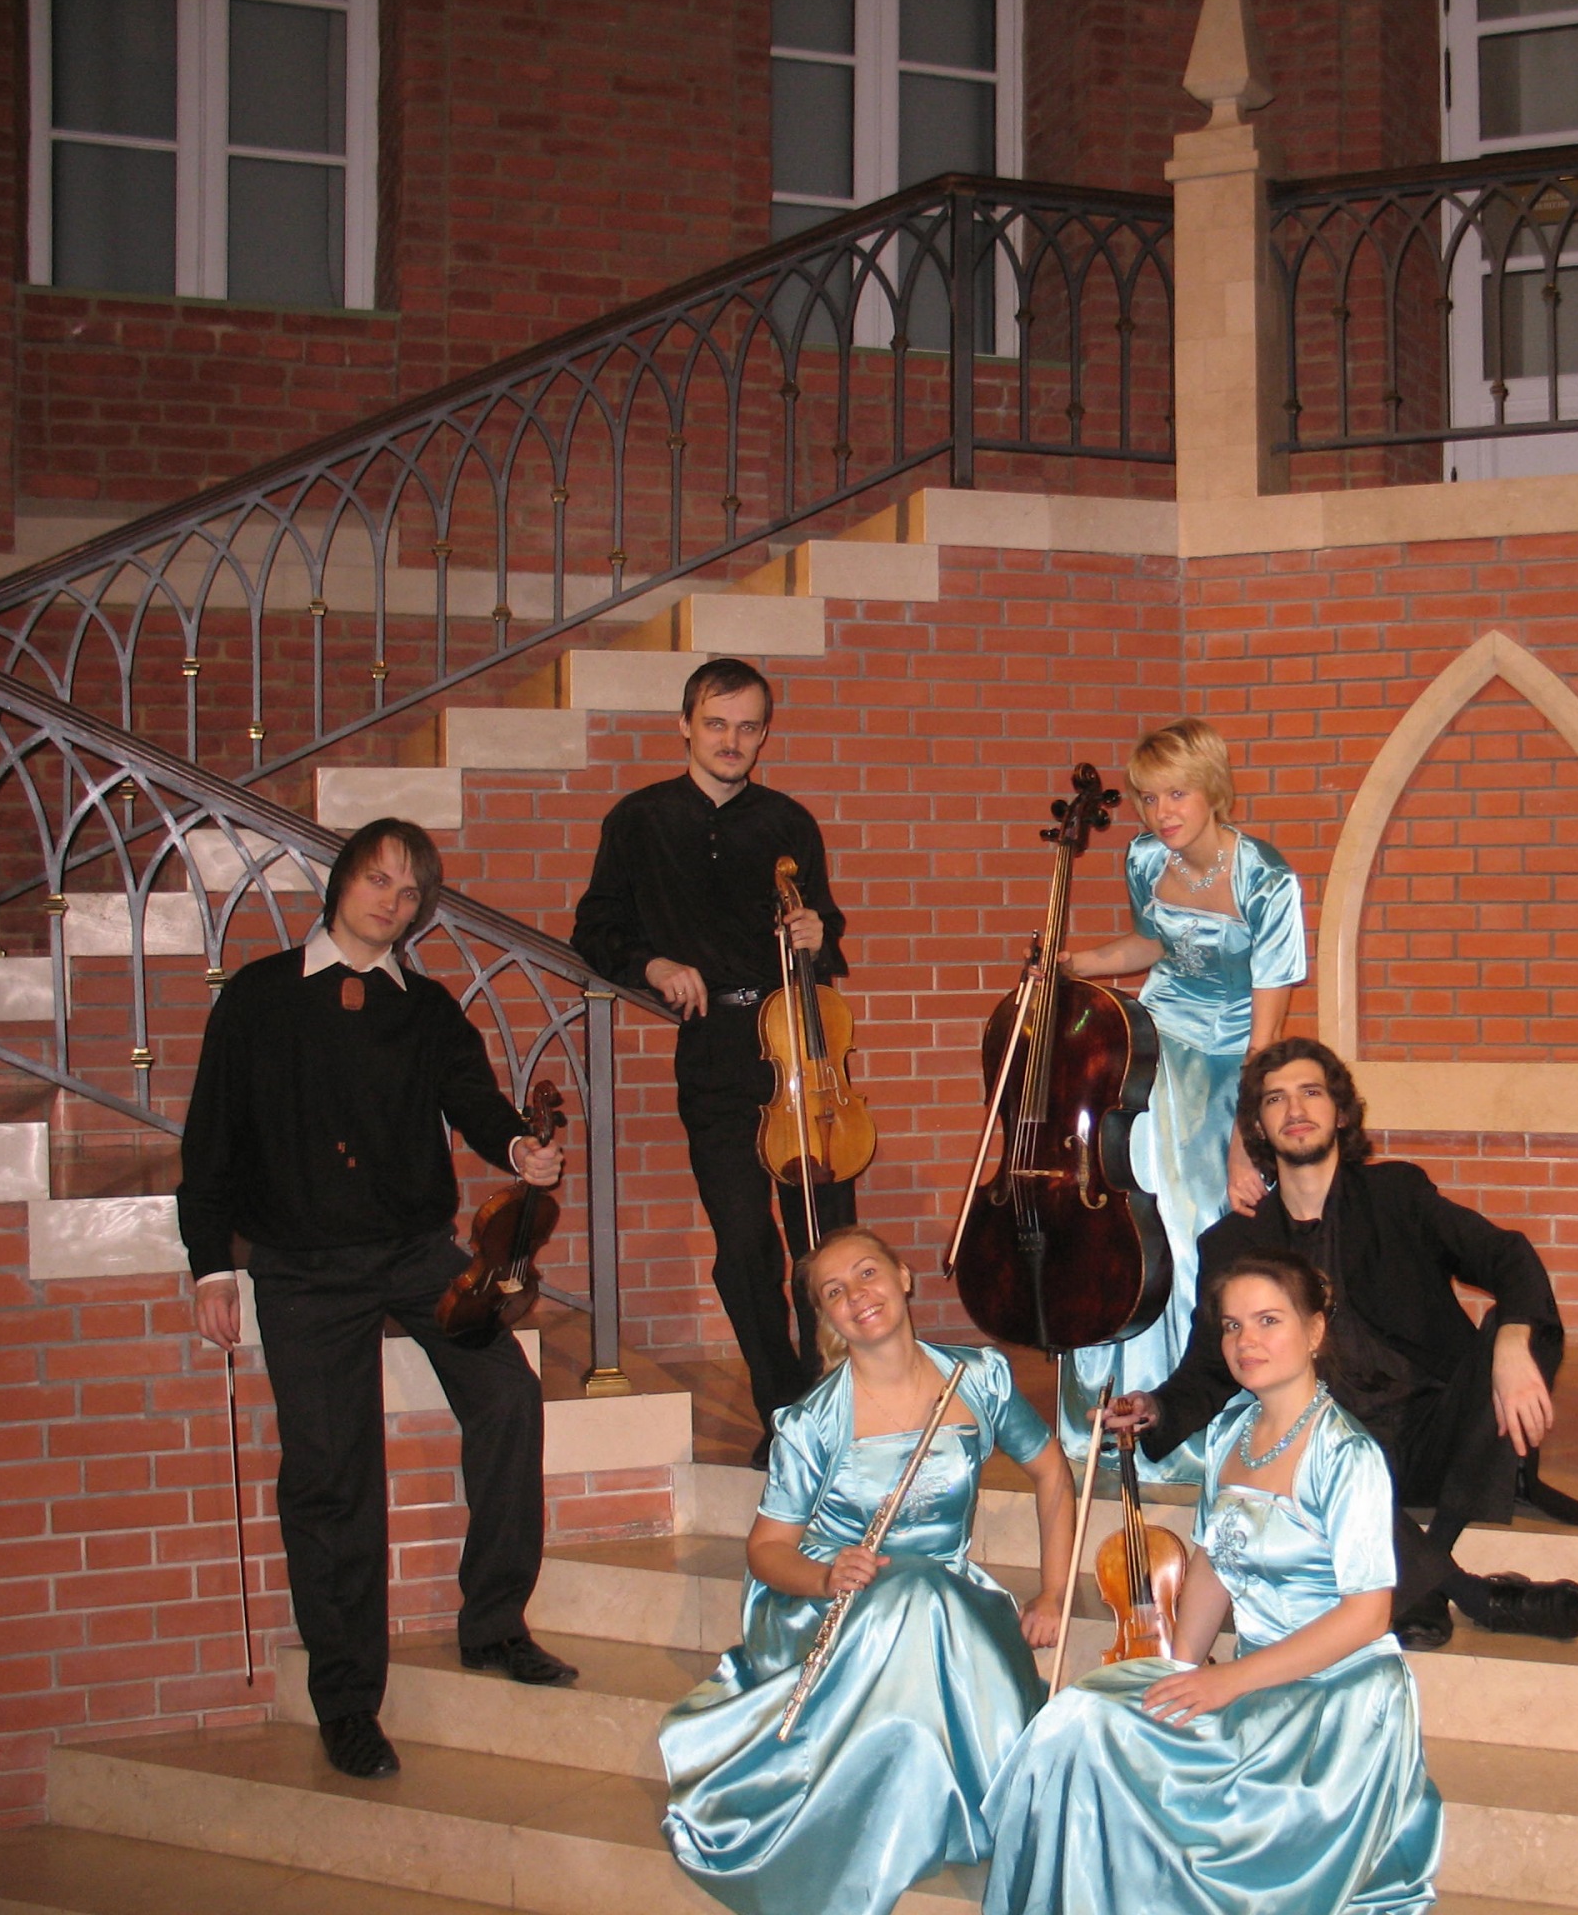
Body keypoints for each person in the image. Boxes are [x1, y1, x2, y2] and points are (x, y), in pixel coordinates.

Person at [181, 818, 577, 1782]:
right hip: (302, 1267)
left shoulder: (427, 1007)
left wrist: (518, 1148)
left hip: (414, 1254)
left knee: (507, 1395)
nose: (391, 902)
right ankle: (348, 1699)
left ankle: (493, 1622)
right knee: (332, 1476)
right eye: (377, 880)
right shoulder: (260, 996)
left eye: (409, 893)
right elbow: (211, 1137)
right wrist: (210, 1265)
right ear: (342, 882)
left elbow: (474, 1100)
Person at [981, 1252, 1442, 1915]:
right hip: (1256, 1680)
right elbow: (1211, 1566)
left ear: (1315, 1331)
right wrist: (1177, 1671)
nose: (1245, 1340)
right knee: (1077, 1718)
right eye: (1231, 1326)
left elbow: (1367, 1617)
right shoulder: (1229, 1434)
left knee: (1108, 1739)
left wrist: (1226, 1683)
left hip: (1335, 1701)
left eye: (1268, 1320)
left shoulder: (1348, 1455)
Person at [1108, 1036, 1578, 1651]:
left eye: (1311, 1092)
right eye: (1275, 1099)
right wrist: (1155, 1407)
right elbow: (1209, 1369)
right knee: (1289, 1426)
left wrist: (1513, 1346)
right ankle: (1465, 1593)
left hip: (1434, 1433)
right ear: (1257, 1126)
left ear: (1340, 1112)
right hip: (1330, 1452)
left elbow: (1508, 1256)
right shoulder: (1233, 1245)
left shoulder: (1397, 1195)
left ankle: (1423, 1579)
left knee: (1519, 1326)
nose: (1295, 1110)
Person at [661, 1226, 1076, 1915]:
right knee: (912, 1601)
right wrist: (824, 1578)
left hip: (945, 1596)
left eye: (866, 1274)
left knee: (922, 1596)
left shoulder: (979, 1379)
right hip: (825, 1601)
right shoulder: (812, 1423)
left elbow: (1053, 1472)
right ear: (827, 1318)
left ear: (903, 1278)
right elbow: (766, 1550)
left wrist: (1055, 1592)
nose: (857, 1296)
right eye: (834, 1292)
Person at [571, 658, 853, 1464]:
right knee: (743, 1244)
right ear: (686, 725)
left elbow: (825, 926)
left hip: (801, 1048)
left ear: (764, 733)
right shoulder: (639, 820)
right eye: (717, 723)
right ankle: (787, 1412)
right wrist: (652, 965)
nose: (733, 740)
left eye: (748, 726)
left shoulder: (789, 822)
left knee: (826, 1240)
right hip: (716, 1049)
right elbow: (595, 929)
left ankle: (837, 1405)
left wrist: (818, 932)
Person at [1054, 718, 1304, 1474]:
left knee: (1194, 1218)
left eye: (1176, 794)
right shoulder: (1143, 856)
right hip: (1151, 1041)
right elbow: (1154, 944)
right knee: (1124, 1204)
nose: (1160, 812)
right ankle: (1109, 1396)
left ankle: (1191, 1414)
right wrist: (1078, 962)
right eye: (1147, 797)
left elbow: (1266, 1031)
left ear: (1212, 790)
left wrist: (1244, 1141)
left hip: (1231, 1059)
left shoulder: (1266, 878)